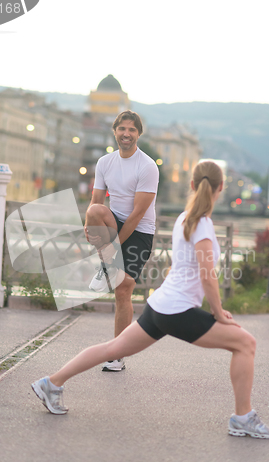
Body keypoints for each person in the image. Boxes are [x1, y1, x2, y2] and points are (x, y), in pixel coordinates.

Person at [31, 160, 269, 439]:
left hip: (160, 306)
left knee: (113, 348)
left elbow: (180, 267)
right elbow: (208, 275)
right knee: (246, 343)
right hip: (177, 311)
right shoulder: (203, 225)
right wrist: (218, 312)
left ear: (192, 185)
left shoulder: (184, 219)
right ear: (221, 187)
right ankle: (243, 418)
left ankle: (51, 383)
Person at [84, 110, 159, 372]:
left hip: (140, 231)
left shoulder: (147, 166)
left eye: (132, 130)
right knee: (94, 212)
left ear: (138, 134)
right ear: (115, 131)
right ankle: (105, 266)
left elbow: (138, 215)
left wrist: (112, 248)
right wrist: (88, 225)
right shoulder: (105, 162)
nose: (126, 134)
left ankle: (117, 354)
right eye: (122, 129)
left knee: (123, 288)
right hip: (114, 221)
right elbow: (96, 202)